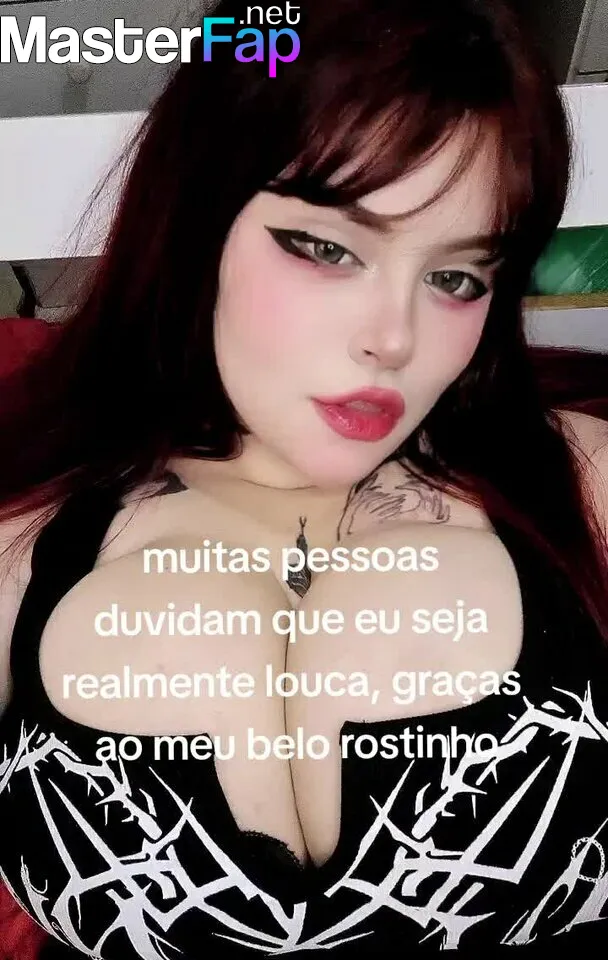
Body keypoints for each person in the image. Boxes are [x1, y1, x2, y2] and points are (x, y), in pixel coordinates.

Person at [1, 0, 607, 957]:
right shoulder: (21, 545)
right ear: (194, 221)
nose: (394, 339)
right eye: (329, 248)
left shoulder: (584, 475)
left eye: (457, 277)